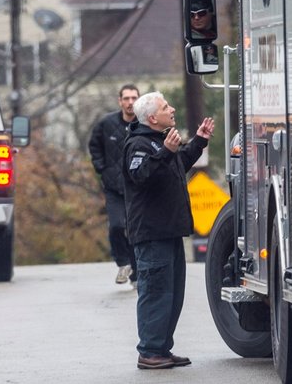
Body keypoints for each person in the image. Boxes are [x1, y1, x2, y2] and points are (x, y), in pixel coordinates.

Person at [123, 91, 214, 369]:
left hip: (170, 231)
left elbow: (177, 165)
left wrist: (198, 142)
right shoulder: (138, 145)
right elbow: (141, 176)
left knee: (172, 294)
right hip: (152, 234)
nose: (172, 109)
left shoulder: (161, 142)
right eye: (165, 107)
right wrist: (165, 153)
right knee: (155, 292)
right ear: (152, 117)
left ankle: (162, 347)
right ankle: (149, 351)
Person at [88, 84, 140, 286]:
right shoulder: (106, 123)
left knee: (136, 230)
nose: (130, 102)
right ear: (120, 101)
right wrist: (102, 168)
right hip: (113, 188)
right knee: (117, 226)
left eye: (134, 98)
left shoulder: (144, 124)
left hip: (137, 188)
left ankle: (136, 274)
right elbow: (94, 146)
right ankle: (123, 262)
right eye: (126, 98)